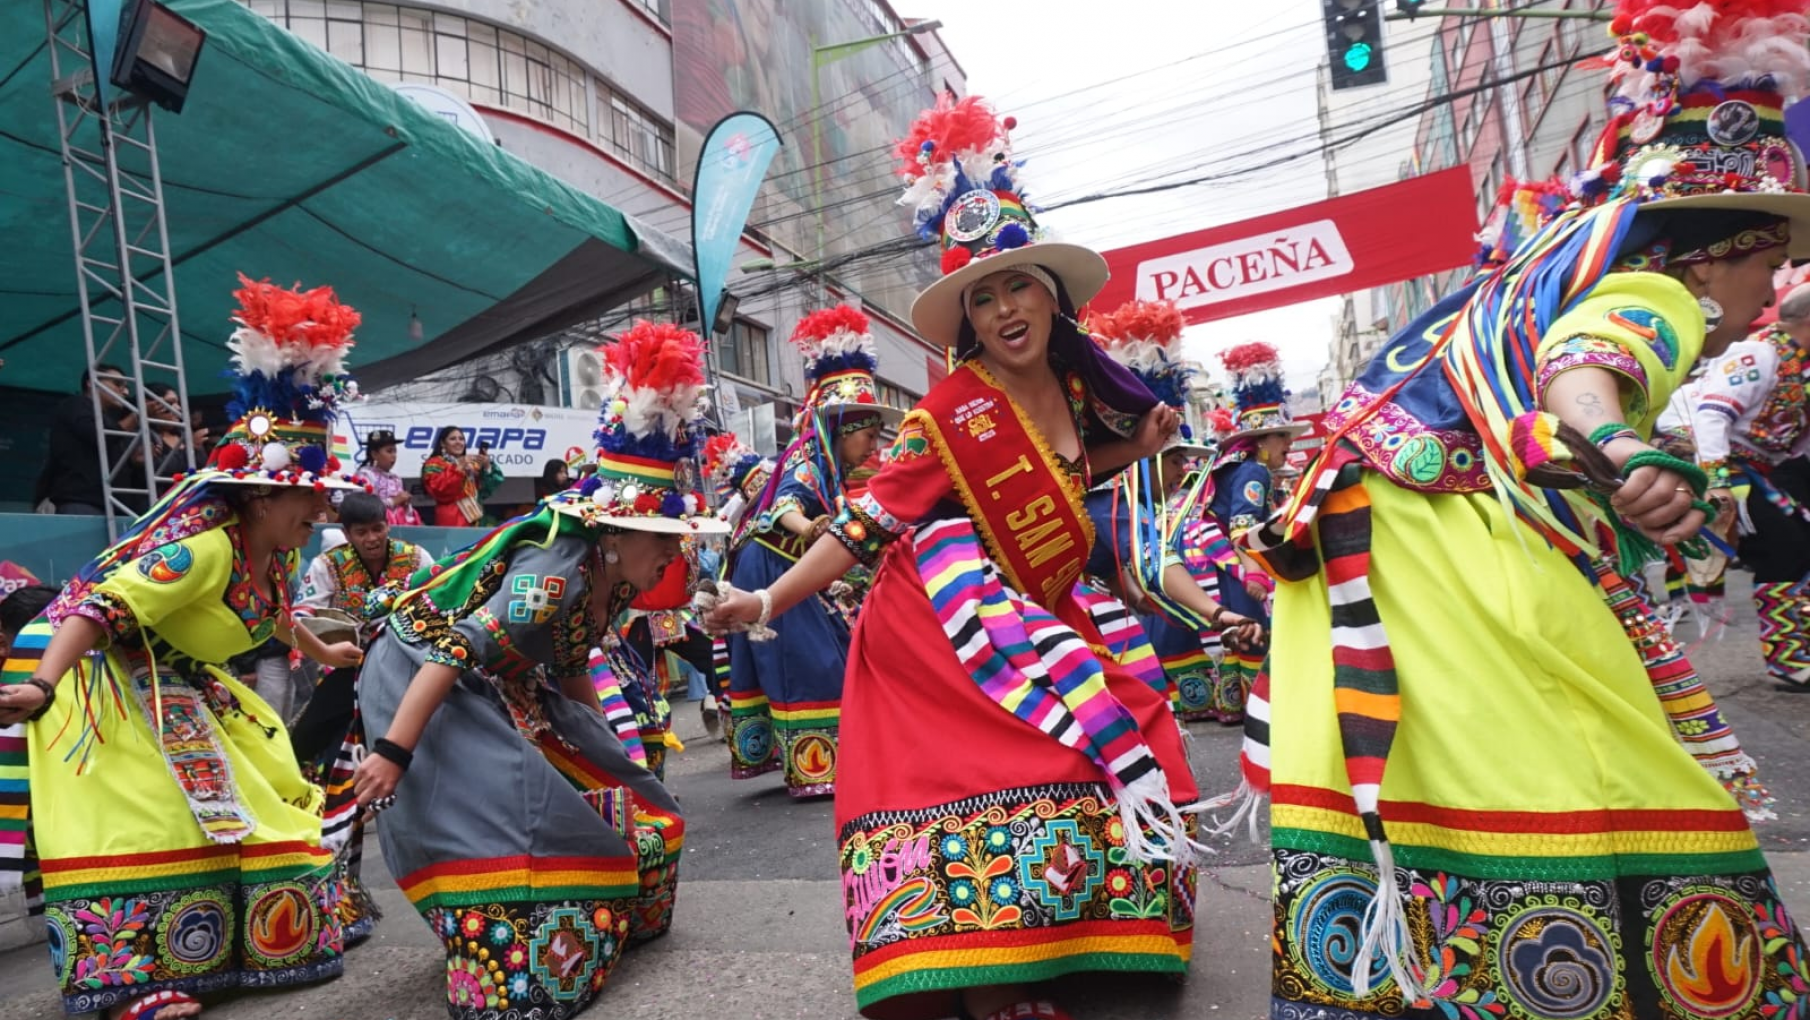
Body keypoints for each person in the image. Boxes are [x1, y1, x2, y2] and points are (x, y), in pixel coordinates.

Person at [1250, 8, 1810, 1013]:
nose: (1768, 292)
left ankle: (1424, 979)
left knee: (1415, 802)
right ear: (1720, 251)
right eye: (1768, 265)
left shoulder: (1530, 282)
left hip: (1355, 568)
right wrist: (1625, 445)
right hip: (1446, 567)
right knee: (1598, 782)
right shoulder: (1652, 292)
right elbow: (1587, 367)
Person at [707, 96, 1200, 1020]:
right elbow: (860, 529)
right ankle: (987, 974)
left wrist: (1133, 450)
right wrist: (766, 602)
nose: (1005, 307)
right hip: (943, 623)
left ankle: (1076, 937)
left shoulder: (1069, 383)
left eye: (1018, 286)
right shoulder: (946, 419)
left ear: (1050, 298)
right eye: (984, 295)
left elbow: (1066, 471)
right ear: (968, 318)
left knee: (1120, 728)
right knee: (1010, 773)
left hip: (1038, 598)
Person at [0, 275, 369, 1020]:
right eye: (312, 494)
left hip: (171, 675)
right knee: (145, 818)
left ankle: (241, 943)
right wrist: (42, 686)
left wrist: (324, 655)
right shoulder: (202, 549)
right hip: (90, 667)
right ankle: (125, 983)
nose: (324, 507)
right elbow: (100, 609)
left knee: (260, 783)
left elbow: (275, 612)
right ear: (262, 495)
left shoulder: (280, 551)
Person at [349, 320, 722, 1020]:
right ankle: (508, 965)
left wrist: (615, 749)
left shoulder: (617, 578)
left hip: (495, 677)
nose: (675, 556)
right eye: (664, 540)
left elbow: (574, 666)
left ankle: (596, 931)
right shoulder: (553, 573)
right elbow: (456, 648)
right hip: (422, 672)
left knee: (639, 800)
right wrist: (394, 752)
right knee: (518, 814)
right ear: (614, 533)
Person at [724, 305, 894, 799]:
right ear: (842, 429)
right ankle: (814, 767)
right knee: (806, 661)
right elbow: (783, 510)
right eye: (867, 435)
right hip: (774, 560)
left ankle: (823, 760)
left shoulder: (829, 464)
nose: (871, 447)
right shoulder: (808, 456)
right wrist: (816, 526)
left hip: (793, 562)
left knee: (824, 651)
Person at [1669, 282, 1810, 686]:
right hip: (1736, 470)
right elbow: (1712, 415)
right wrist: (1716, 482)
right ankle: (1786, 657)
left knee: (1802, 551)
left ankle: (1798, 647)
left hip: (1773, 468)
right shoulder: (1758, 352)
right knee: (1784, 551)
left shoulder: (1801, 365)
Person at [1195, 342, 1301, 724]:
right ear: (1261, 442)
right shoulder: (1253, 472)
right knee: (1252, 631)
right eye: (1281, 438)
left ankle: (1237, 706)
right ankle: (1264, 708)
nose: (1288, 444)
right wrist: (1253, 573)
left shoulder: (1243, 469)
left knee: (1239, 632)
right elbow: (1242, 529)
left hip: (1228, 568)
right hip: (1240, 568)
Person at [35, 363, 138, 515]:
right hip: (81, 500)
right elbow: (99, 438)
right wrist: (135, 417)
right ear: (91, 382)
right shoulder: (75, 404)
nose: (125, 391)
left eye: (126, 386)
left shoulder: (109, 418)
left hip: (111, 503)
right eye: (117, 384)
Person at [421, 426, 502, 526]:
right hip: (451, 520)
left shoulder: (471, 464)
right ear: (442, 443)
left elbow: (486, 489)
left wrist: (487, 466)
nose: (458, 442)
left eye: (461, 439)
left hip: (474, 517)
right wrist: (459, 468)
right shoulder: (435, 463)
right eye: (452, 439)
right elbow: (440, 490)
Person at [354, 430, 420, 527]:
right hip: (375, 526)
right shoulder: (365, 475)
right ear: (374, 454)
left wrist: (405, 504)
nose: (393, 455)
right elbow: (362, 506)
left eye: (395, 451)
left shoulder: (396, 478)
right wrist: (393, 501)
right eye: (389, 451)